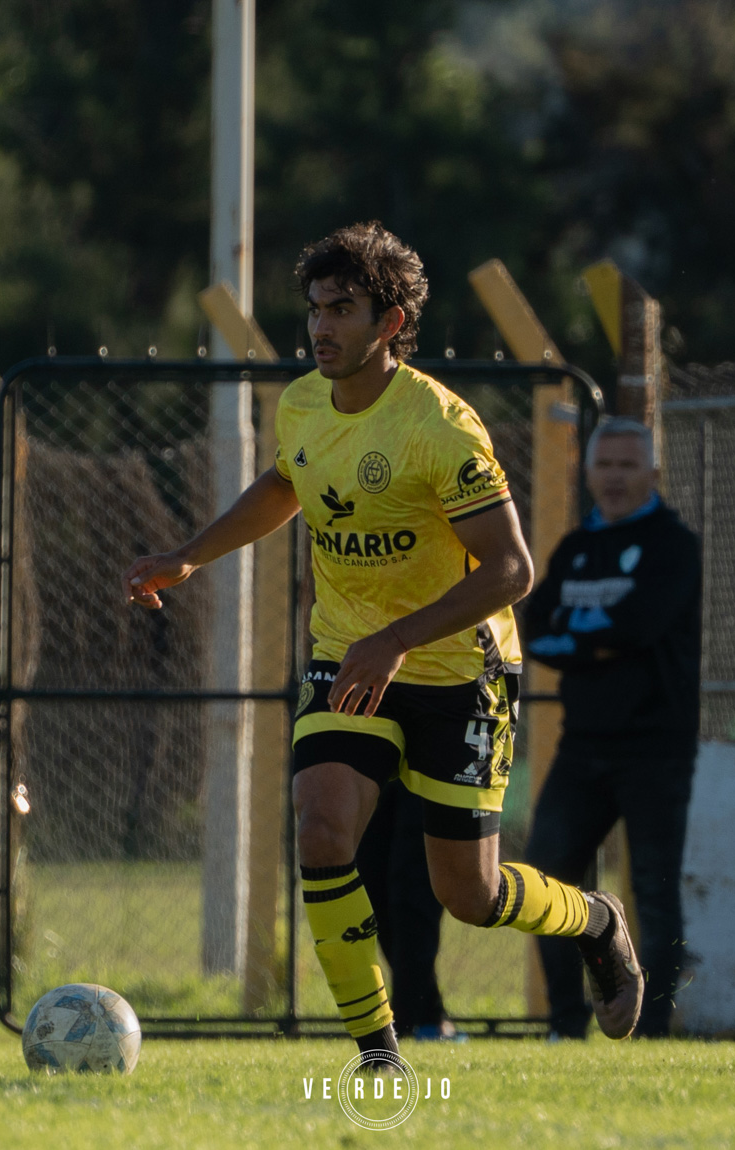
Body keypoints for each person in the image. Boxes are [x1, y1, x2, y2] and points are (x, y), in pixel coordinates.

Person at [121, 222, 642, 1065]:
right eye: (316, 310)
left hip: (459, 668)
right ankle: (377, 1050)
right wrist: (190, 553)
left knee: (466, 894)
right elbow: (289, 480)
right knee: (323, 827)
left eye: (343, 311)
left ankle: (595, 921)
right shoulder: (301, 402)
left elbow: (513, 570)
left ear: (391, 323)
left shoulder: (440, 428)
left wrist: (396, 638)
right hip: (346, 656)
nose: (321, 328)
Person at [520, 416, 702, 1039]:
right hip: (583, 745)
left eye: (629, 466)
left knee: (654, 892)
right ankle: (564, 1026)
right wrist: (589, 641)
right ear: (588, 471)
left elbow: (637, 627)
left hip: (656, 748)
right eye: (606, 465)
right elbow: (535, 627)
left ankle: (653, 1031)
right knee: (545, 874)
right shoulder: (574, 550)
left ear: (652, 473)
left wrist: (579, 636)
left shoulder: (673, 545)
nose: (616, 477)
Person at [355, 781, 465, 1041]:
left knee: (413, 888)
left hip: (428, 762)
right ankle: (426, 1015)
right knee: (370, 881)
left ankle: (401, 1026)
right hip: (382, 757)